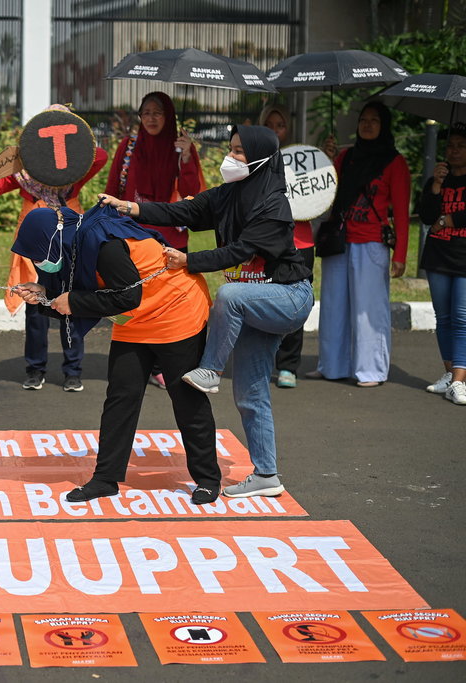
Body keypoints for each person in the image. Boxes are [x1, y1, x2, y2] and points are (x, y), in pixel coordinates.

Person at [99, 124, 314, 499]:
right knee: (249, 394)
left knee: (228, 295)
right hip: (254, 301)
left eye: (240, 151)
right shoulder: (229, 195)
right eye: (231, 148)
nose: (231, 157)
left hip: (288, 296)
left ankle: (211, 370)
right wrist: (132, 207)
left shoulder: (274, 204)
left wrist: (189, 261)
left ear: (262, 158)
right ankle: (267, 475)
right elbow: (185, 209)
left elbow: (239, 251)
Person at [10, 202, 221, 504]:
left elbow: (127, 296)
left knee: (186, 398)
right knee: (121, 399)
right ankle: (105, 479)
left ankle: (207, 478)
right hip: (134, 320)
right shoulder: (72, 244)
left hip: (176, 311)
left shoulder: (103, 243)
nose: (38, 262)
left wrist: (74, 302)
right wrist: (45, 296)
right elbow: (80, 294)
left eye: (38, 255)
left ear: (53, 240)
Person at [0, 105, 107, 392]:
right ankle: (35, 369)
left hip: (69, 237)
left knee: (71, 301)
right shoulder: (24, 173)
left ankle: (73, 370)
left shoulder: (75, 171)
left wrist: (71, 136)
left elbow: (99, 155)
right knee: (35, 303)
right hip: (36, 239)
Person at [104, 91, 205, 389]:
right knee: (137, 296)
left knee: (168, 299)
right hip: (134, 233)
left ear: (168, 116)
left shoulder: (180, 148)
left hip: (170, 234)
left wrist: (186, 155)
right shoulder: (128, 146)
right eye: (145, 112)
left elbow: (192, 191)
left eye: (157, 112)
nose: (151, 118)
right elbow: (114, 185)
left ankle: (163, 361)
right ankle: (140, 359)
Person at [311, 101, 410, 387]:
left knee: (369, 310)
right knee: (333, 306)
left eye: (374, 120)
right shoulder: (346, 157)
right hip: (339, 239)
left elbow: (401, 213)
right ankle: (331, 365)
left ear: (384, 125)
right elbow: (327, 192)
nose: (367, 125)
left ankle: (371, 370)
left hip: (371, 242)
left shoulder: (395, 162)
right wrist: (327, 160)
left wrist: (400, 254)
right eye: (363, 119)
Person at [259, 103, 317, 388]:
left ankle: (288, 366)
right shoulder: (252, 160)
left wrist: (326, 163)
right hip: (264, 241)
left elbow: (320, 196)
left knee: (295, 303)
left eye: (279, 125)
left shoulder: (303, 160)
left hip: (300, 242)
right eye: (268, 125)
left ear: (288, 129)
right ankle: (261, 359)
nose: (274, 131)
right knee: (262, 301)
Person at [417, 124, 466, 406]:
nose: (454, 150)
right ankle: (450, 374)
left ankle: (459, 380)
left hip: (463, 257)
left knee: (461, 318)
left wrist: (448, 220)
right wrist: (435, 186)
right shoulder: (438, 179)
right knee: (443, 317)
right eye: (450, 146)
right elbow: (425, 216)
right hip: (438, 256)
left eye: (461, 145)